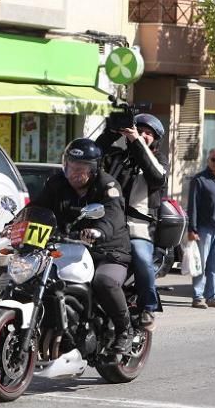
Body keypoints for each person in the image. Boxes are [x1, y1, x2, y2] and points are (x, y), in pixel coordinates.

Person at [30, 138, 137, 353]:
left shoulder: (108, 186)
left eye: (81, 169)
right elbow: (37, 207)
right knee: (35, 275)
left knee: (104, 281)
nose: (74, 173)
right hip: (70, 246)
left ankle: (125, 330)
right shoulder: (57, 183)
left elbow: (113, 215)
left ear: (94, 169)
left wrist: (99, 231)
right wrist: (16, 224)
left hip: (107, 251)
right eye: (71, 167)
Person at [97, 113, 169, 330]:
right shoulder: (118, 156)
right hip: (109, 225)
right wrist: (110, 132)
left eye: (149, 133)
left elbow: (156, 176)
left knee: (140, 256)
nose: (144, 135)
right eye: (141, 130)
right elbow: (95, 158)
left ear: (155, 139)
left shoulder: (159, 161)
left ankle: (148, 306)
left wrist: (136, 140)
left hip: (140, 228)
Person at [187, 148, 215, 309]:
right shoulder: (199, 179)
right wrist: (192, 229)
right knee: (201, 264)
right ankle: (198, 297)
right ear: (208, 160)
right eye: (214, 159)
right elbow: (193, 206)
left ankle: (213, 296)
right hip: (204, 229)